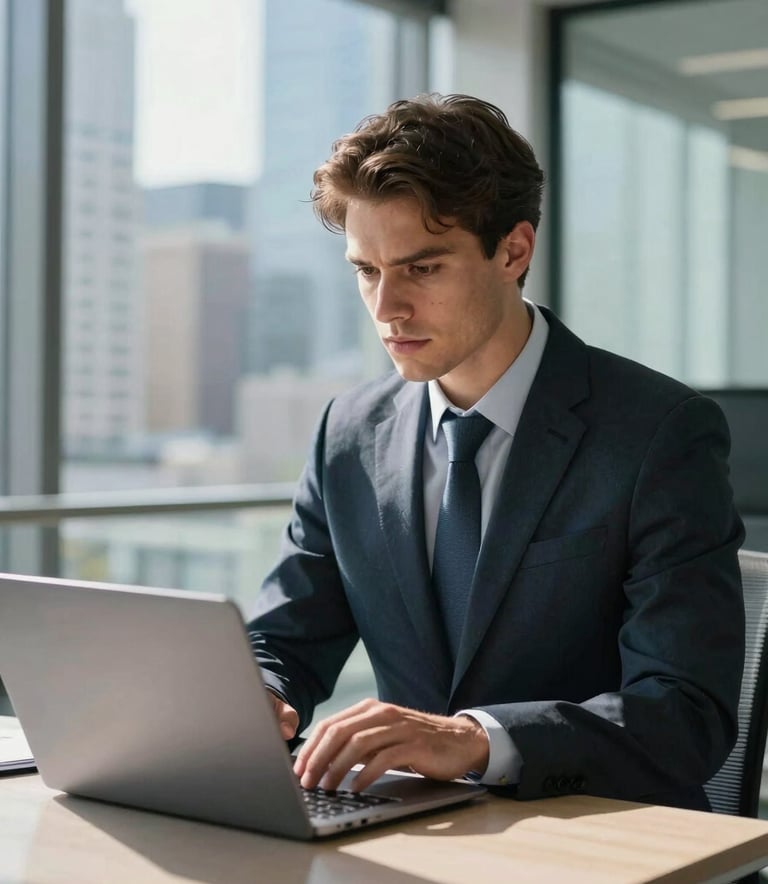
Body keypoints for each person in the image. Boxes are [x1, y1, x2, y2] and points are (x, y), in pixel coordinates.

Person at [247, 93, 745, 811]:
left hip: (600, 840)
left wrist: (476, 739)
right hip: (411, 833)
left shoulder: (659, 432)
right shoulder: (348, 432)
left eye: (422, 269)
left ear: (513, 251)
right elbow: (285, 637)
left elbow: (686, 714)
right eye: (366, 270)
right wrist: (263, 696)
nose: (387, 308)